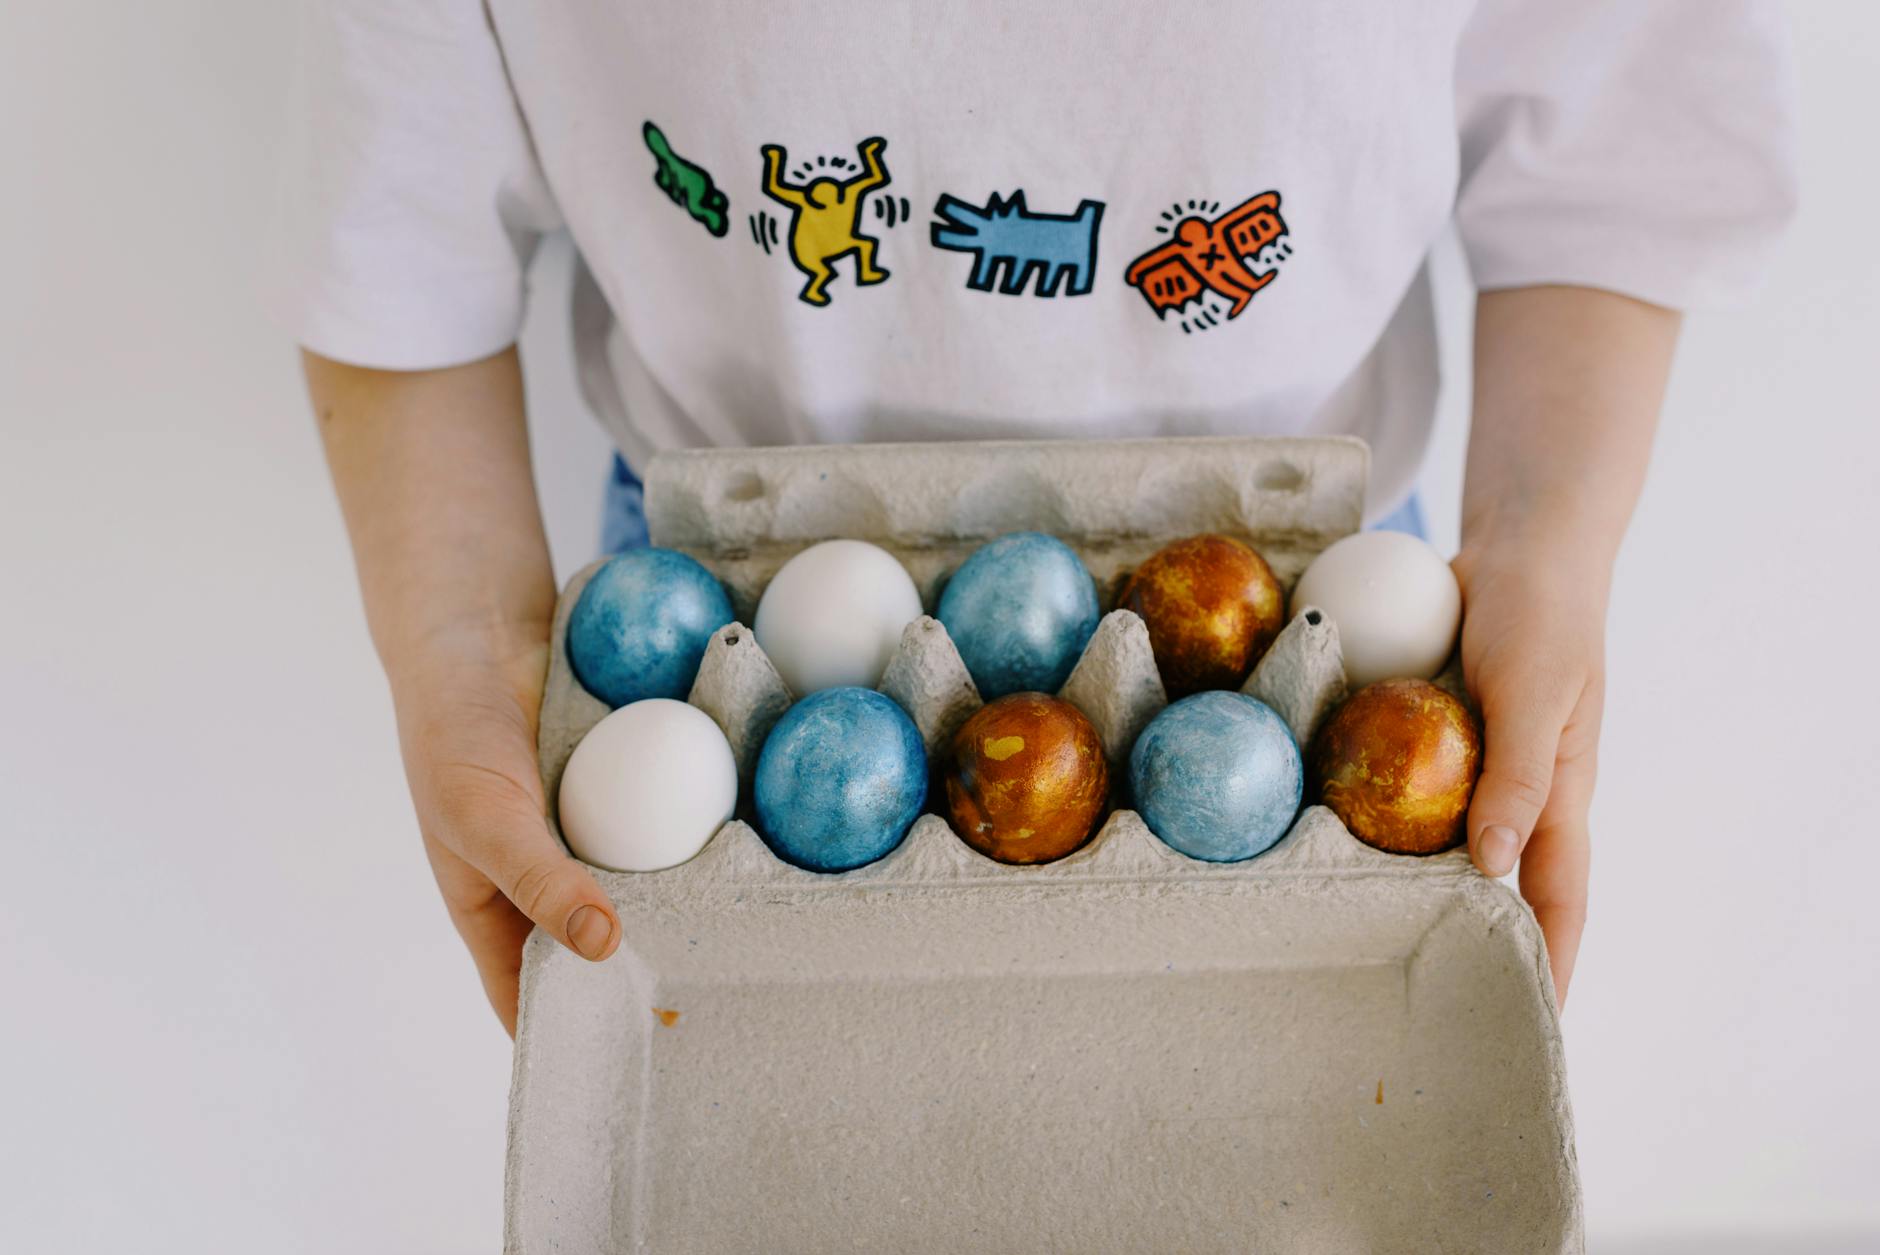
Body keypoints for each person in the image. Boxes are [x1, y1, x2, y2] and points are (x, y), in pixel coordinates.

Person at [284, 1, 1797, 1034]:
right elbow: (401, 234)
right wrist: (464, 640)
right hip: (709, 614)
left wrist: (1542, 545)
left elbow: (1610, 151)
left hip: (1324, 609)